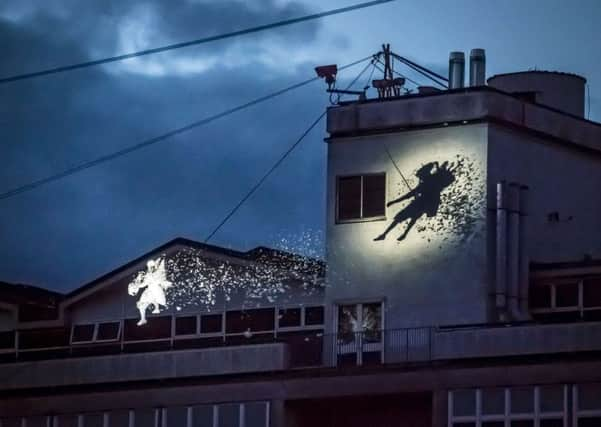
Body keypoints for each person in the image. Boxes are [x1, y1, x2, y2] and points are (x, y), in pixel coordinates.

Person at [374, 161, 455, 241]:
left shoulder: (427, 183)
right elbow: (410, 194)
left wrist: (393, 202)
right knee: (411, 218)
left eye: (420, 176)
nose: (420, 178)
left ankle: (387, 234)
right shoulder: (431, 182)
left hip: (421, 204)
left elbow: (408, 195)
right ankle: (399, 234)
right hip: (423, 205)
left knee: (401, 218)